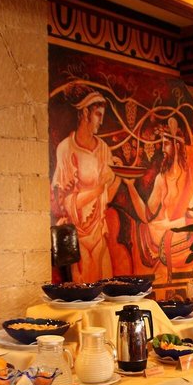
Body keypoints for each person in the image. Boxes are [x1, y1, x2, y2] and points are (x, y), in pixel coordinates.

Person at [51, 86, 121, 282]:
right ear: (84, 113)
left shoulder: (103, 149)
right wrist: (99, 187)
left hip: (99, 231)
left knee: (107, 287)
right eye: (98, 114)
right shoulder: (66, 149)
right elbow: (68, 203)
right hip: (78, 236)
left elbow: (107, 199)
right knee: (84, 290)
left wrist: (120, 178)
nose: (101, 121)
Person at [124, 118, 193, 284]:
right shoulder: (161, 178)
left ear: (177, 146)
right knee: (142, 228)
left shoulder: (189, 178)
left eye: (166, 144)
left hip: (182, 232)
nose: (162, 150)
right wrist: (130, 186)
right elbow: (147, 215)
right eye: (162, 145)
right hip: (162, 231)